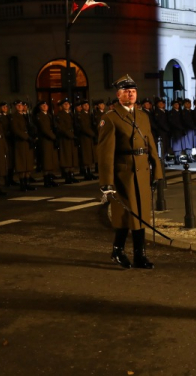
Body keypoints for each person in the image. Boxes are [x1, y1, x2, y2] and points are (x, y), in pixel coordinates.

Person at [97, 74, 164, 269]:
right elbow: (105, 153)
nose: (131, 94)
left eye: (133, 91)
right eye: (126, 91)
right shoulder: (110, 118)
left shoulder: (143, 115)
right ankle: (119, 250)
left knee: (142, 214)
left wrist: (157, 171)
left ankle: (139, 255)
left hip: (142, 171)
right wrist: (107, 182)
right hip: (123, 173)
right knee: (127, 214)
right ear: (119, 95)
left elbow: (150, 143)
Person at [11, 100, 37, 191]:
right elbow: (16, 130)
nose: (19, 107)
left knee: (28, 163)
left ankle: (27, 182)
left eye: (21, 105)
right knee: (22, 164)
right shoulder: (14, 117)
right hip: (21, 142)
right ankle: (22, 184)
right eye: (17, 105)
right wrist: (27, 137)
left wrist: (33, 135)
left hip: (28, 141)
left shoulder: (26, 116)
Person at [54, 98, 80, 184]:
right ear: (61, 106)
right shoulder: (60, 115)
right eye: (65, 104)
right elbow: (61, 127)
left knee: (72, 157)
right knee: (66, 158)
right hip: (65, 139)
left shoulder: (71, 114)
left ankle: (71, 175)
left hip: (72, 138)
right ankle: (67, 176)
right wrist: (70, 135)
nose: (67, 105)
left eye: (68, 104)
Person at [76, 100, 99, 181]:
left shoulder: (89, 114)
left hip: (89, 138)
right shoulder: (81, 115)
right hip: (85, 138)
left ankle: (89, 172)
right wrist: (93, 134)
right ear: (82, 106)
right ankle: (86, 173)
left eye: (87, 105)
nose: (87, 106)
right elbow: (84, 127)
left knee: (89, 156)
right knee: (86, 156)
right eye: (85, 105)